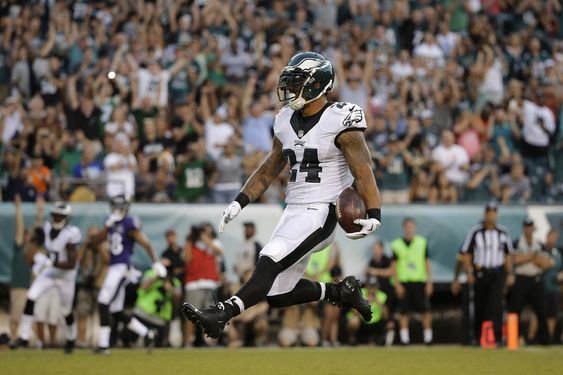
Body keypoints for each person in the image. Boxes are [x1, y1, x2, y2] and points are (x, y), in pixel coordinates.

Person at [182, 51, 382, 339]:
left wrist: (375, 213)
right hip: (294, 209)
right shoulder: (285, 120)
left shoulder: (341, 119)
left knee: (269, 260)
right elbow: (268, 169)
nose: (289, 89)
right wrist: (240, 201)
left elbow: (364, 171)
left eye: (297, 81)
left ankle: (220, 314)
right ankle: (340, 291)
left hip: (323, 210)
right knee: (277, 292)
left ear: (316, 85)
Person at [92, 194, 166, 354]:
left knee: (103, 301)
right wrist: (107, 226)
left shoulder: (129, 223)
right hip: (115, 266)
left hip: (121, 267)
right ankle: (147, 333)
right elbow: (95, 241)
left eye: (119, 207)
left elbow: (145, 242)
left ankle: (104, 345)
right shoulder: (110, 223)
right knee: (116, 311)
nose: (117, 210)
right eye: (115, 207)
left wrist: (155, 262)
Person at [14, 202, 81, 354]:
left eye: (60, 216)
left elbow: (71, 263)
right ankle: (23, 337)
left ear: (66, 217)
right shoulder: (47, 227)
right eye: (55, 215)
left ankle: (72, 338)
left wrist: (52, 262)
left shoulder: (71, 233)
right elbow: (36, 241)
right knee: (31, 297)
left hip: (66, 276)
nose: (57, 218)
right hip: (50, 272)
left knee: (66, 311)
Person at [460, 201, 515, 346]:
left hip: (497, 273)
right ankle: (479, 337)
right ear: (485, 214)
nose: (491, 215)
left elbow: (508, 255)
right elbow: (466, 253)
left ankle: (497, 337)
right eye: (489, 212)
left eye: (494, 212)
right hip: (480, 273)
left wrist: (510, 273)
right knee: (480, 305)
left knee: (496, 304)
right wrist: (470, 272)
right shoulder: (476, 231)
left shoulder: (502, 232)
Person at [509, 219, 553, 345]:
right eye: (526, 227)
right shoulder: (516, 243)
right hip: (521, 279)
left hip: (535, 279)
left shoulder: (539, 244)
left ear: (533, 228)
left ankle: (544, 340)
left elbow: (545, 263)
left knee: (541, 310)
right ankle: (515, 337)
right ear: (523, 228)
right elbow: (515, 260)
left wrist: (526, 257)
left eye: (530, 227)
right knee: (515, 310)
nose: (528, 229)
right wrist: (534, 256)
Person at [391, 218, 433, 345]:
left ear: (414, 228)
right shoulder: (396, 244)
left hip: (419, 280)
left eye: (411, 227)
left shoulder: (422, 242)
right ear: (404, 229)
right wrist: (397, 283)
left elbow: (426, 263)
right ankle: (404, 339)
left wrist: (429, 282)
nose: (409, 229)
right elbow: (393, 266)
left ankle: (428, 338)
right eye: (407, 227)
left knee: (425, 310)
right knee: (404, 311)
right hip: (404, 282)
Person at [9, 195, 43, 347]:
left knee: (27, 317)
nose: (28, 234)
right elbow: (20, 227)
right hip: (18, 286)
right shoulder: (20, 247)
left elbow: (36, 228)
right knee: (16, 317)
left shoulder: (31, 249)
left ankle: (35, 343)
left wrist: (40, 212)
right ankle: (15, 340)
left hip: (26, 286)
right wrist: (18, 208)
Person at [76, 226, 109, 348]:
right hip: (86, 284)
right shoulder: (85, 247)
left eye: (95, 236)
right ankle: (82, 340)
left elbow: (108, 260)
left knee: (101, 315)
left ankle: (101, 341)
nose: (93, 239)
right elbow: (78, 261)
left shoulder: (104, 246)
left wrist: (98, 246)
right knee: (82, 313)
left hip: (100, 285)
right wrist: (85, 246)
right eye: (91, 236)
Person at [542, 230, 562, 343]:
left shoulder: (558, 251)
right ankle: (538, 338)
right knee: (541, 313)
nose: (553, 239)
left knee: (552, 313)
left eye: (555, 237)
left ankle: (550, 338)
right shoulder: (542, 249)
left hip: (555, 287)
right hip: (543, 286)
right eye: (551, 236)